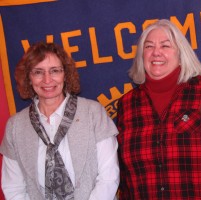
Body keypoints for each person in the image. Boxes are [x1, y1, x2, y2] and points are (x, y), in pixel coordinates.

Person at [116, 19, 201, 199]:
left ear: (181, 53)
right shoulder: (127, 104)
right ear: (142, 55)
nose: (156, 52)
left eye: (165, 46)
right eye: (149, 47)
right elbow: (124, 176)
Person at [0, 42, 120, 199]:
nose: (47, 80)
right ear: (28, 78)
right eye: (38, 72)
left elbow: (109, 177)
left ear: (66, 74)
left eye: (55, 71)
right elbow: (13, 187)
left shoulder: (93, 113)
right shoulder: (15, 127)